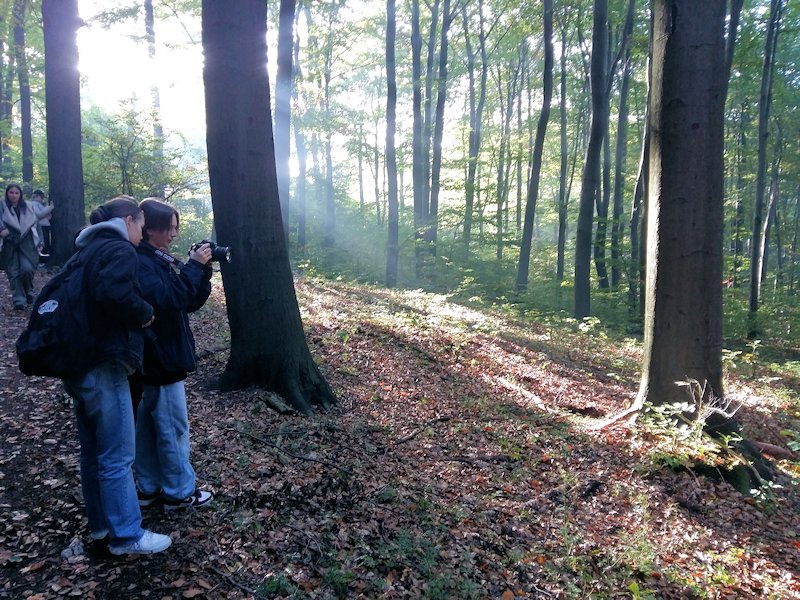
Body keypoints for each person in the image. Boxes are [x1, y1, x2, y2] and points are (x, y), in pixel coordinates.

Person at [62, 196, 172, 555]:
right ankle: (127, 535)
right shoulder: (119, 249)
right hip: (104, 365)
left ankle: (101, 528)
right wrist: (144, 312)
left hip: (77, 364)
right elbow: (114, 294)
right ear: (129, 221)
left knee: (93, 452)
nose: (141, 234)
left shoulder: (85, 251)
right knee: (117, 455)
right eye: (140, 226)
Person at [133, 198, 214, 511]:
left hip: (159, 356)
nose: (174, 235)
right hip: (159, 357)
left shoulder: (157, 259)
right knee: (172, 428)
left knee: (151, 426)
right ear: (150, 228)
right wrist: (193, 266)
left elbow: (186, 301)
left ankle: (150, 487)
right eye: (170, 228)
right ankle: (180, 492)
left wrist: (202, 273)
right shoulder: (142, 262)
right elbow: (170, 297)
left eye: (176, 228)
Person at [0, 183, 41, 309]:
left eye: (16, 193)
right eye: (11, 192)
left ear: (20, 194)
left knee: (27, 269)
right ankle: (19, 300)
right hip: (9, 244)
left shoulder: (28, 207)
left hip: (26, 244)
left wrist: (40, 241)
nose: (14, 195)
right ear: (7, 193)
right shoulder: (2, 207)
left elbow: (36, 225)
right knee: (14, 273)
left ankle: (28, 291)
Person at [30, 189, 54, 256]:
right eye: (41, 197)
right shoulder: (34, 204)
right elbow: (38, 214)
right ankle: (42, 256)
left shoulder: (39, 204)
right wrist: (50, 208)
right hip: (41, 226)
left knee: (46, 242)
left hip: (45, 225)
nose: (42, 199)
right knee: (43, 242)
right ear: (36, 196)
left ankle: (44, 254)